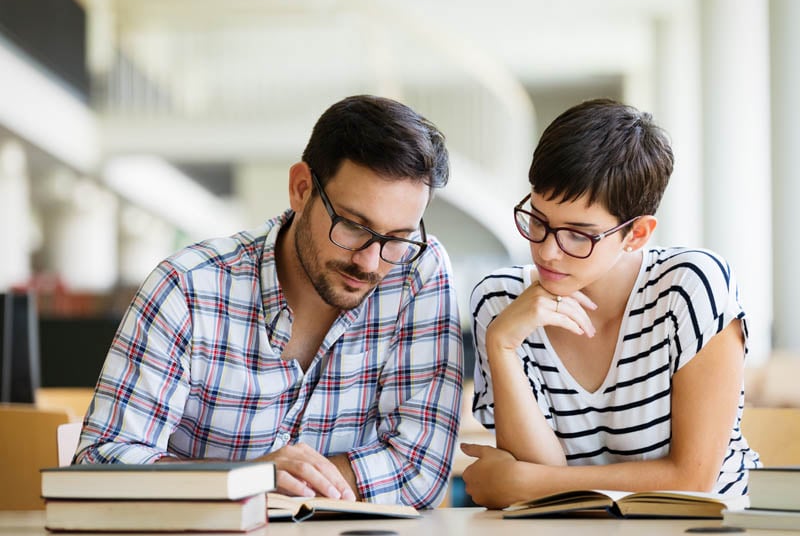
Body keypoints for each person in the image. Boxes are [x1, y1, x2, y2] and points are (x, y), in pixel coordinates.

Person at [75, 94, 463, 509]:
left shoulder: (417, 274)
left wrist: (285, 482)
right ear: (301, 189)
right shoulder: (188, 287)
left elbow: (421, 472)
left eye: (397, 238)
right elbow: (99, 465)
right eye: (352, 225)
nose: (370, 261)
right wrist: (249, 479)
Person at [461, 99, 760, 509]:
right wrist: (502, 344)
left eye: (578, 235)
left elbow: (691, 479)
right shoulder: (499, 303)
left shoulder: (690, 286)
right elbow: (537, 474)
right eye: (538, 221)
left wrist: (528, 484)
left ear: (636, 234)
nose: (547, 252)